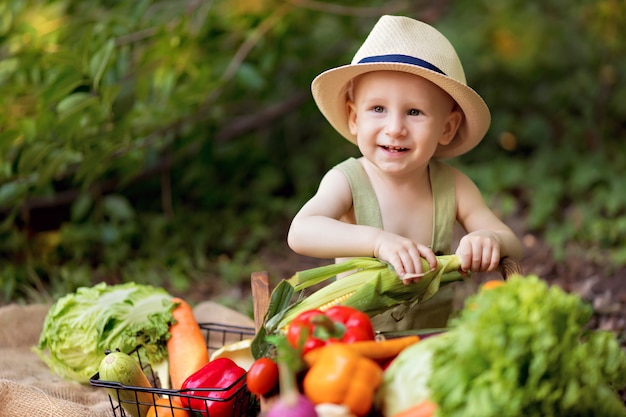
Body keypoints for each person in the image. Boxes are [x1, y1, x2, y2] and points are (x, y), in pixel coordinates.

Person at [287, 15, 523, 330]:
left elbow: (513, 244)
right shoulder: (348, 181)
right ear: (354, 117)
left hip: (427, 345)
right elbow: (300, 232)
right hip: (354, 347)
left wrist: (488, 238)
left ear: (447, 128)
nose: (395, 129)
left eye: (414, 112)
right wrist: (377, 242)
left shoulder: (453, 186)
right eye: (378, 109)